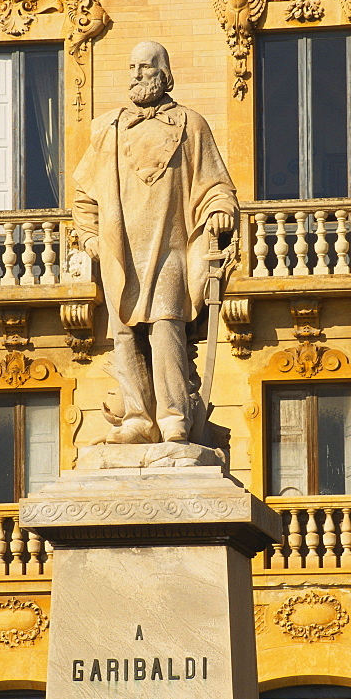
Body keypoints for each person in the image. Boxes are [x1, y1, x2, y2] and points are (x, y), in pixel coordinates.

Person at [72, 41, 238, 444]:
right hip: (121, 247)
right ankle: (136, 418)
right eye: (131, 67)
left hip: (171, 247)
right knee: (124, 332)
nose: (136, 75)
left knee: (166, 326)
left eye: (144, 67)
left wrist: (219, 209)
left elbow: (216, 183)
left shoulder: (191, 125)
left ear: (163, 73)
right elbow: (83, 194)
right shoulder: (108, 128)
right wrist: (91, 233)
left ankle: (173, 415)